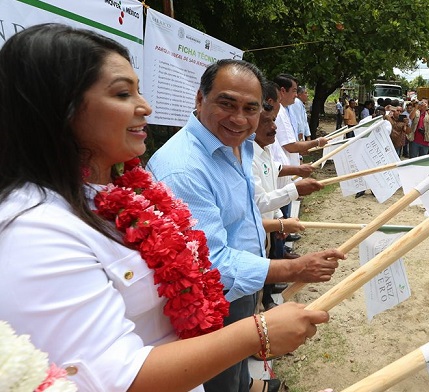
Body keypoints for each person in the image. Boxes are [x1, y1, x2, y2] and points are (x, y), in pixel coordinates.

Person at [0, 23, 339, 392]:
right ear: (58, 106)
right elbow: (112, 378)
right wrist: (256, 331)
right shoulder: (36, 230)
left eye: (251, 109)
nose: (145, 107)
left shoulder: (113, 191)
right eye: (122, 93)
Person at [148, 60, 343, 391]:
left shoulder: (235, 145)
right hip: (213, 299)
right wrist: (293, 268)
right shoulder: (183, 170)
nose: (239, 118)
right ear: (199, 99)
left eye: (250, 109)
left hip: (243, 285)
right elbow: (211, 263)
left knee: (237, 366)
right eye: (227, 104)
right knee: (218, 380)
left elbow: (244, 211)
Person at [252, 81, 324, 311]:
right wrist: (296, 189)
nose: (274, 128)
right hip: (259, 228)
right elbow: (260, 200)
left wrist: (300, 171)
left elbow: (274, 169)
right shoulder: (247, 158)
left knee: (270, 260)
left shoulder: (262, 151)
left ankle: (265, 300)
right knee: (260, 273)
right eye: (267, 122)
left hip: (268, 225)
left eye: (274, 121)